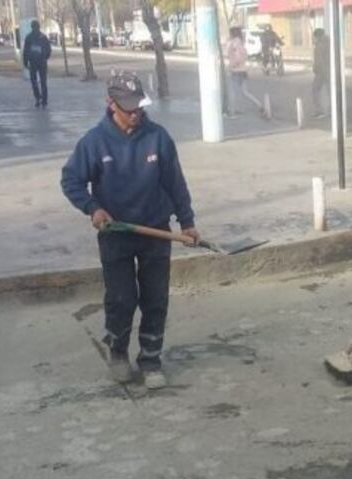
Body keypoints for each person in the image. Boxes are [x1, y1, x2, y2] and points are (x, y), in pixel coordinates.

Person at [60, 72, 199, 389]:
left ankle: (150, 359)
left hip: (156, 229)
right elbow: (71, 180)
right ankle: (118, 352)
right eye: (129, 108)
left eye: (139, 107)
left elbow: (175, 183)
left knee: (155, 298)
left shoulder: (158, 137)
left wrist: (187, 221)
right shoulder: (95, 142)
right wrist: (93, 208)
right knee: (122, 298)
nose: (136, 113)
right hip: (116, 232)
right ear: (111, 104)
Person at [225, 27, 264, 117]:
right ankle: (259, 105)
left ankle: (232, 113)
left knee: (232, 92)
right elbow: (245, 55)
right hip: (243, 71)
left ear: (232, 34)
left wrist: (231, 66)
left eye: (230, 33)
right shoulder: (241, 43)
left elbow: (238, 57)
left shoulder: (234, 43)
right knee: (245, 92)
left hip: (236, 71)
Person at [22, 20, 52, 108]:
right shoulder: (43, 37)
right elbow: (49, 49)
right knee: (43, 81)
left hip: (33, 62)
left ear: (31, 27)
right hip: (42, 62)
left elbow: (26, 51)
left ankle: (38, 98)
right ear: (39, 27)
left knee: (34, 81)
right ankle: (44, 101)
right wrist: (45, 57)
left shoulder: (29, 37)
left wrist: (25, 62)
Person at [312, 28, 329, 119]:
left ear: (317, 36)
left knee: (315, 90)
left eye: (313, 37)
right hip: (330, 70)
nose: (312, 39)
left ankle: (320, 111)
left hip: (321, 72)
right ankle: (331, 110)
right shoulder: (329, 42)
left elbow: (319, 61)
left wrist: (315, 69)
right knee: (330, 90)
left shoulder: (319, 46)